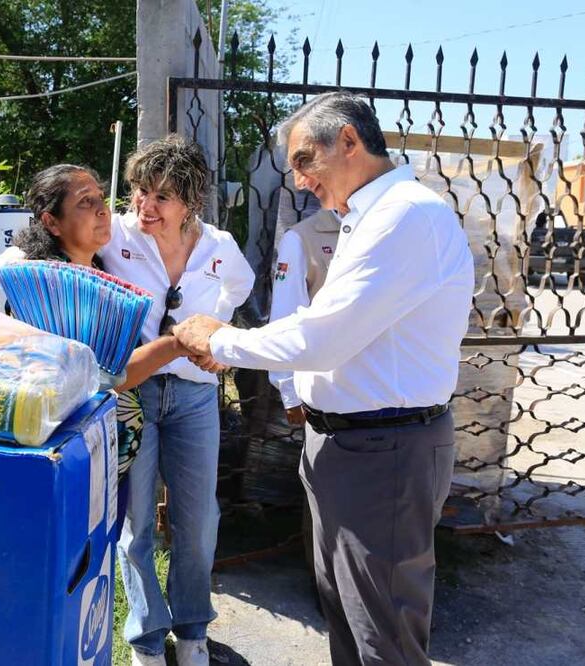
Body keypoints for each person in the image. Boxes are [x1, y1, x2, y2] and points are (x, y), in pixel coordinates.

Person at [171, 92, 474, 666]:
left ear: (350, 143)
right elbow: (318, 326)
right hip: (350, 443)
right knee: (347, 614)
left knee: (381, 633)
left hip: (383, 450)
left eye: (307, 159)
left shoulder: (405, 215)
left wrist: (220, 341)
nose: (301, 179)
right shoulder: (369, 217)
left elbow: (321, 337)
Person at [0, 163, 202, 538]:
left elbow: (114, 371)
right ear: (51, 222)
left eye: (101, 198)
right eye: (86, 202)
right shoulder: (46, 290)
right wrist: (176, 344)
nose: (103, 210)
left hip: (106, 457)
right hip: (70, 463)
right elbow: (95, 380)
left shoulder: (100, 275)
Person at [97, 135, 254, 666]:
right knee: (138, 523)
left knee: (197, 520)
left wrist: (218, 335)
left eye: (162, 196)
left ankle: (192, 634)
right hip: (134, 394)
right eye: (139, 191)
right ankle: (144, 639)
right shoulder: (115, 235)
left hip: (194, 397)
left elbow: (240, 288)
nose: (145, 206)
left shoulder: (219, 247)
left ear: (191, 202)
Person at [268, 206, 341, 425]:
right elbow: (285, 318)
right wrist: (290, 393)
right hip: (328, 396)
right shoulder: (302, 239)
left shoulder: (392, 229)